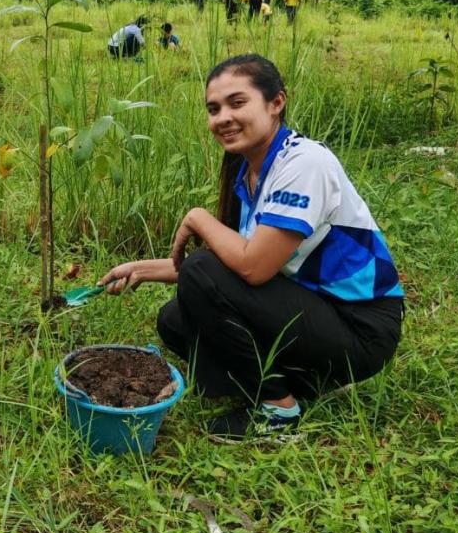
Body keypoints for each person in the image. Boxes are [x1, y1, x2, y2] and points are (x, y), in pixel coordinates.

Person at [97, 54, 404, 443]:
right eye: (213, 109)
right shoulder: (250, 170)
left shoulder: (304, 163)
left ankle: (279, 411)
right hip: (313, 307)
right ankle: (306, 380)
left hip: (360, 326)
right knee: (175, 322)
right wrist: (140, 269)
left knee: (201, 275)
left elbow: (251, 269)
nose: (222, 117)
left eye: (237, 103)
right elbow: (232, 265)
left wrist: (198, 218)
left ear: (276, 103)